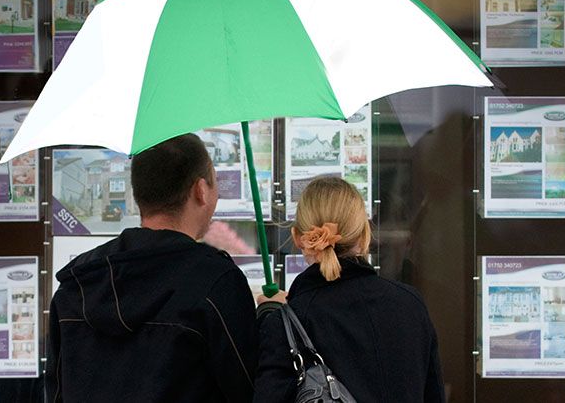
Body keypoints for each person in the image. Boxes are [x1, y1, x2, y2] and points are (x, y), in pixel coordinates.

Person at [46, 134, 258, 402]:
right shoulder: (217, 283)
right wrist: (272, 317)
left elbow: (55, 392)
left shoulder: (77, 284)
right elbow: (249, 389)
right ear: (200, 190)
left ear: (137, 194)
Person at [253, 177, 445, 402]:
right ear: (365, 235)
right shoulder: (411, 305)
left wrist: (271, 314)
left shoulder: (286, 323)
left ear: (297, 238)